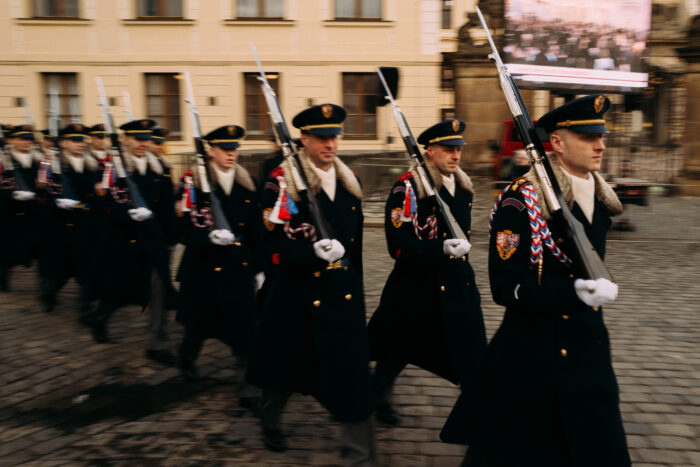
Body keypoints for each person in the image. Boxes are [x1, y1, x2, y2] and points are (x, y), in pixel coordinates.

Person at [441, 95, 630, 466]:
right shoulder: (520, 202)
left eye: (601, 136)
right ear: (557, 143)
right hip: (535, 351)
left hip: (588, 343)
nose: (601, 145)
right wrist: (572, 290)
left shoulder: (602, 198)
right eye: (588, 137)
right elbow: (505, 286)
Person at [246, 104, 376, 466]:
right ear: (304, 139)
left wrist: (356, 288)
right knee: (285, 369)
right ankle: (269, 417)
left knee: (354, 379)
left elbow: (357, 248)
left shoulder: (351, 183)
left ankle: (360, 457)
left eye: (334, 137)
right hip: (297, 297)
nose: (330, 144)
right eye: (321, 138)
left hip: (341, 294)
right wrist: (309, 253)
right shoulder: (282, 182)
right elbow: (269, 240)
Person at [367, 120, 487, 425]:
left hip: (456, 284)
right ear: (430, 151)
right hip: (416, 286)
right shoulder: (407, 187)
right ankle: (376, 398)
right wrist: (441, 248)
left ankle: (476, 414)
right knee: (395, 350)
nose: (456, 156)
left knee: (472, 351)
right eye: (449, 149)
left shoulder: (462, 186)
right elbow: (397, 245)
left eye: (459, 149)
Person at [175, 124, 262, 409]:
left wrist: (259, 268)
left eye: (235, 149)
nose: (231, 154)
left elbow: (255, 230)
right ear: (211, 151)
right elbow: (182, 226)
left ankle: (249, 385)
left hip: (238, 266)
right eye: (225, 149)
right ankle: (187, 359)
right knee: (197, 326)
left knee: (245, 328)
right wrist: (207, 238)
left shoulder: (247, 183)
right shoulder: (193, 183)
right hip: (203, 268)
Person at [80, 119, 177, 367]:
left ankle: (157, 342)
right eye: (138, 139)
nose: (143, 144)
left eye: (146, 139)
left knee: (158, 289)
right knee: (117, 289)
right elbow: (100, 203)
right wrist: (125, 213)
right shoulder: (111, 167)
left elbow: (167, 208)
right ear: (126, 139)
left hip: (153, 240)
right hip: (122, 240)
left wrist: (173, 238)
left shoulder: (159, 168)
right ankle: (100, 317)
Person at [36, 123, 100, 313]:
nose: (80, 144)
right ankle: (49, 293)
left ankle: (85, 302)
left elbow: (97, 191)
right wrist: (56, 201)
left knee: (86, 264)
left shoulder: (92, 163)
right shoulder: (48, 163)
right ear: (63, 143)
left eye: (82, 140)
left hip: (84, 221)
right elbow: (41, 190)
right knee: (60, 267)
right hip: (60, 223)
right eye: (75, 140)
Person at [0, 125, 41, 292]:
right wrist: (11, 196)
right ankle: (3, 273)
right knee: (6, 247)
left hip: (32, 211)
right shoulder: (4, 160)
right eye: (22, 138)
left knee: (33, 245)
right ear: (12, 140)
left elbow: (43, 183)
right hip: (7, 213)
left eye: (29, 139)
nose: (26, 142)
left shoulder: (37, 160)